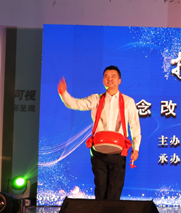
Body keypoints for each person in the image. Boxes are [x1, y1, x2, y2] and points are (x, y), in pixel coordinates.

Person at [58, 66, 141, 200]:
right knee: (100, 188)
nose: (109, 79)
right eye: (106, 76)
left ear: (119, 80)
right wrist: (63, 93)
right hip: (98, 150)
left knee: (114, 189)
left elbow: (135, 125)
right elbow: (76, 104)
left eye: (113, 76)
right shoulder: (96, 99)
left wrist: (136, 148)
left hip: (119, 151)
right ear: (103, 80)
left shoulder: (128, 101)